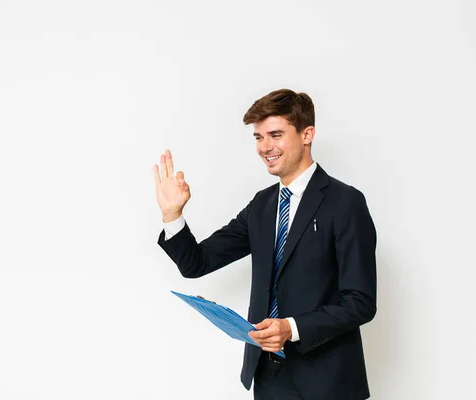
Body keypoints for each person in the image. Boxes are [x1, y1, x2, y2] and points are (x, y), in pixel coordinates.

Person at [153, 89, 377, 400]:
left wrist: (292, 327)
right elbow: (197, 263)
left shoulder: (345, 203)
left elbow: (360, 302)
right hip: (268, 376)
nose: (265, 147)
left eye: (275, 135)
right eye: (259, 137)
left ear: (307, 134)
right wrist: (173, 215)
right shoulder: (262, 205)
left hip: (327, 381)